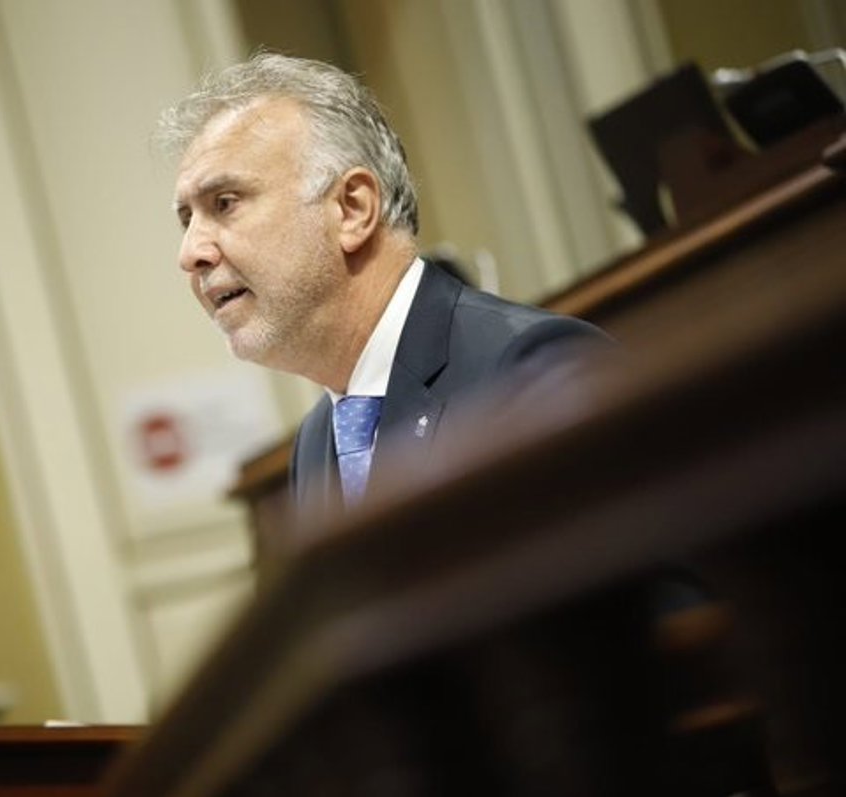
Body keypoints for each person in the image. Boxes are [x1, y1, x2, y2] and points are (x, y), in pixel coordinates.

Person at [157, 53, 608, 520]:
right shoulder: (315, 445)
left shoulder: (530, 369)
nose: (190, 253)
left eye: (225, 203)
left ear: (351, 210)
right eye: (187, 219)